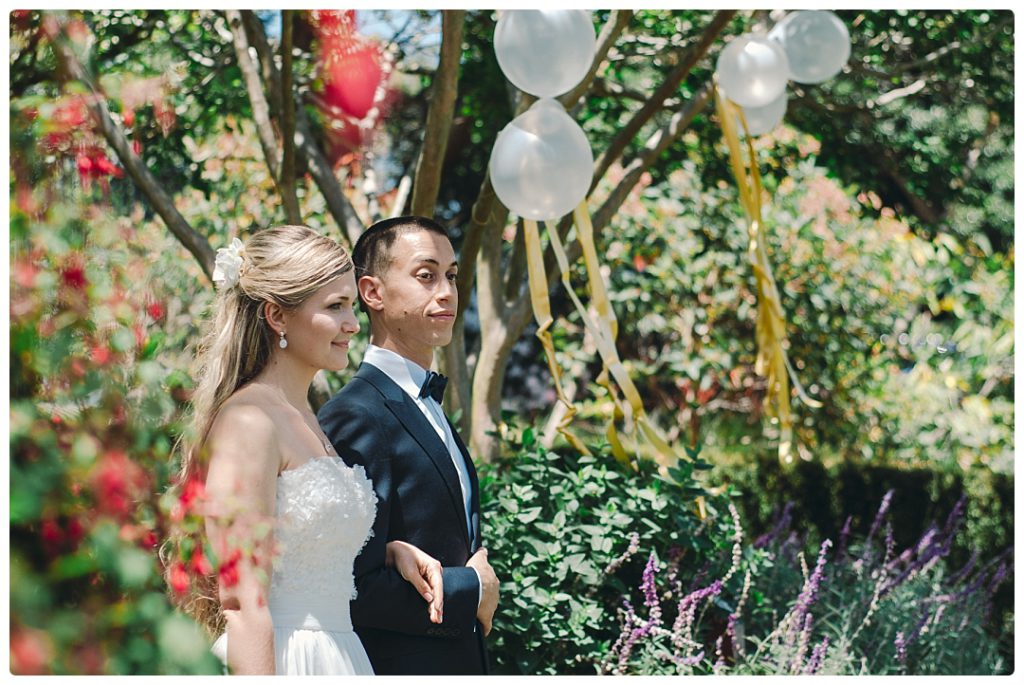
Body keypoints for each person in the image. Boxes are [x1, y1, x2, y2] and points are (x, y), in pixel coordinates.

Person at [172, 225, 445, 675]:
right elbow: (242, 602)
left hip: (341, 658)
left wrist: (391, 550)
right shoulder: (249, 421)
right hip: (284, 657)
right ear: (277, 316)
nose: (353, 324)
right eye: (335, 307)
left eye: (352, 307)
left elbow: (305, 539)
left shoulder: (304, 418)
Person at [318, 216, 499, 675]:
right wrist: (471, 589)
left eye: (452, 276)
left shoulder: (428, 403)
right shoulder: (356, 415)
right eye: (426, 275)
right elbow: (351, 585)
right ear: (372, 292)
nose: (447, 292)